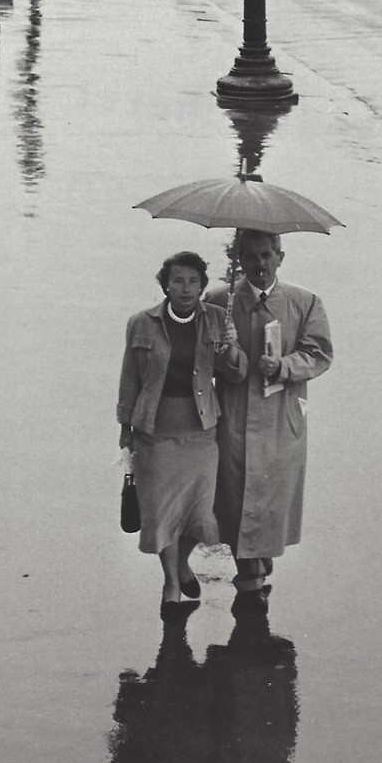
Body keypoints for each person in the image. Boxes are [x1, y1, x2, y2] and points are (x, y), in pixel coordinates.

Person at [209, 231, 333, 609]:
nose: (259, 265)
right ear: (239, 260)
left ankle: (258, 566)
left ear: (280, 256)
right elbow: (206, 360)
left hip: (282, 417)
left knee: (270, 493)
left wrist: (284, 366)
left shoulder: (304, 302)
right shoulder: (219, 302)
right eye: (250, 257)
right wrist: (226, 350)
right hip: (234, 415)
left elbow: (318, 353)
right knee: (234, 492)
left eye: (266, 255)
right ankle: (250, 576)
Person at [118, 252, 246, 613]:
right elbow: (130, 377)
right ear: (166, 284)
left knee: (198, 512)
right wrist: (124, 427)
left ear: (203, 286)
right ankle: (171, 583)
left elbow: (236, 374)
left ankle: (183, 563)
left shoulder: (218, 320)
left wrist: (230, 348)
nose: (186, 289)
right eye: (178, 281)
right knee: (164, 512)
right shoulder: (140, 323)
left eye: (193, 281)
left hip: (202, 431)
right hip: (155, 432)